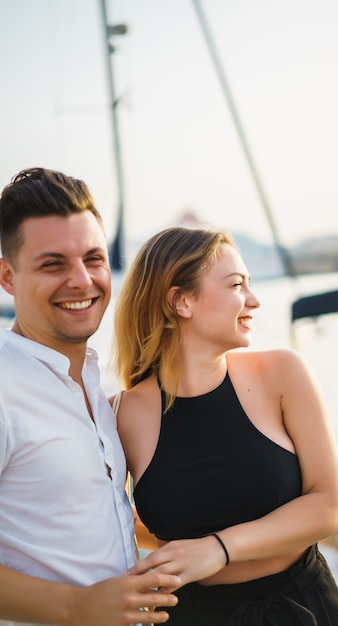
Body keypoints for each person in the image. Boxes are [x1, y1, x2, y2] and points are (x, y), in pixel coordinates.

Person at [112, 226, 338, 625]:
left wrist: (217, 549)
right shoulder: (120, 415)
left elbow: (328, 506)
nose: (253, 300)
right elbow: (111, 525)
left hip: (303, 606)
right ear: (181, 301)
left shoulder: (283, 374)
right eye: (237, 285)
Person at [0, 168, 180, 626]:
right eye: (53, 264)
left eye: (93, 259)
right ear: (8, 276)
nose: (81, 280)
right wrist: (77, 607)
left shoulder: (94, 388)